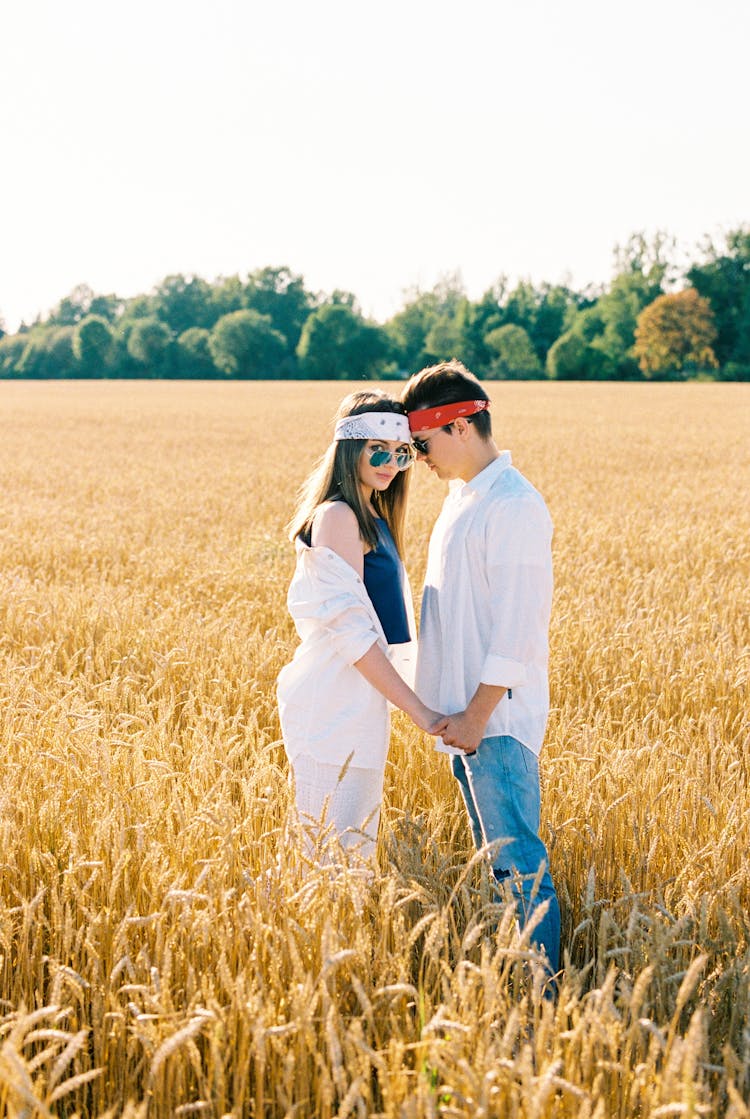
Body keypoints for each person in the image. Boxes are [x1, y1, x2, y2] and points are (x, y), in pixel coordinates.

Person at [400, 360, 560, 976]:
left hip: (495, 721)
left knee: (518, 868)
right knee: (498, 869)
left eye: (422, 443)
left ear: (461, 426)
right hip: (467, 721)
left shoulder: (515, 505)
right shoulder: (463, 497)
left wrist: (475, 714)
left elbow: (520, 629)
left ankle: (541, 1004)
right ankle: (519, 986)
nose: (418, 458)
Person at [277, 390, 446, 860]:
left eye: (402, 454)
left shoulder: (374, 516)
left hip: (358, 703)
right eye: (378, 449)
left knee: (349, 849)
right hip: (331, 702)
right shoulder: (337, 516)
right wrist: (421, 712)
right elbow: (353, 633)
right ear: (350, 446)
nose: (390, 462)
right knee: (328, 854)